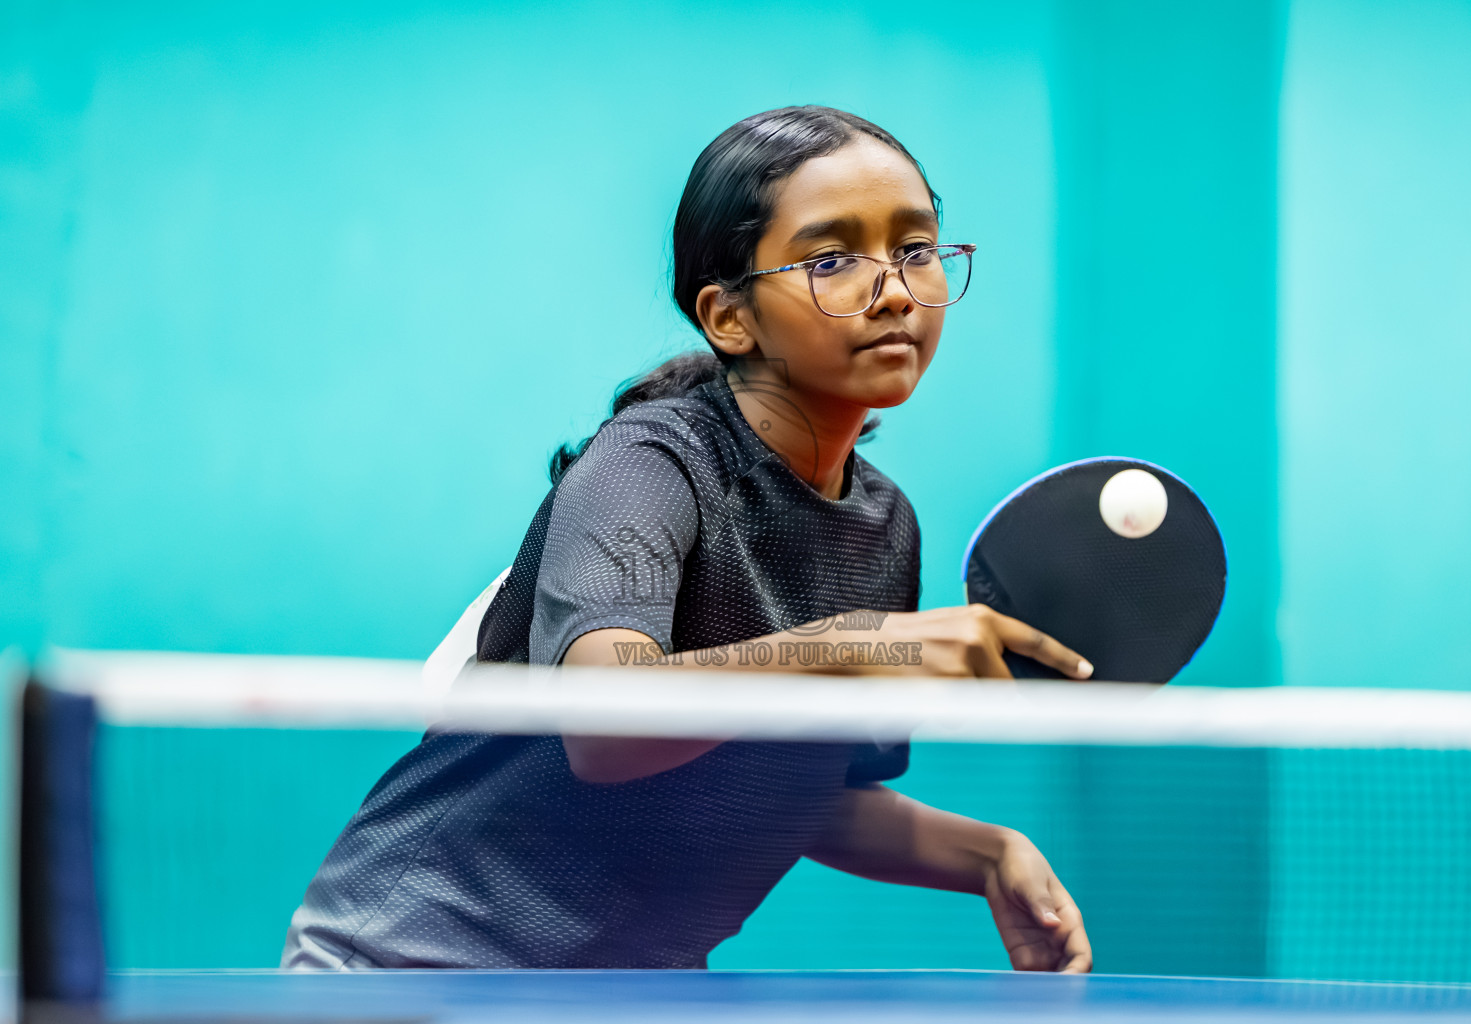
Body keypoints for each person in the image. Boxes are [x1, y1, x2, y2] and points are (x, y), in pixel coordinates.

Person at [282, 105, 1094, 973]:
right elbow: (607, 727)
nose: (894, 290)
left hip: (628, 989)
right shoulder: (651, 462)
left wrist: (988, 856)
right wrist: (858, 645)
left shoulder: (885, 527)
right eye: (830, 261)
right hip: (410, 969)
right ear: (729, 316)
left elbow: (799, 793)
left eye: (916, 249)